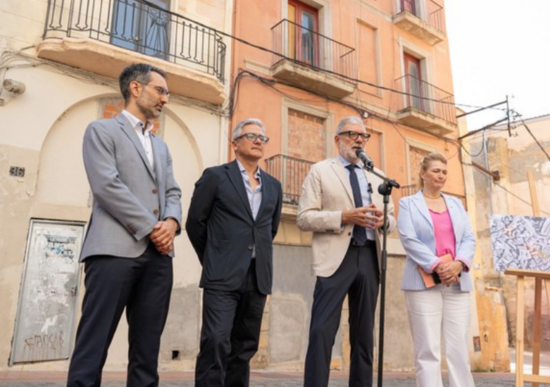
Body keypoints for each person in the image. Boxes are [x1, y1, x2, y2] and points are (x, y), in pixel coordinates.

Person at [66, 63, 182, 387]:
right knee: (93, 344)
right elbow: (107, 186)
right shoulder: (101, 131)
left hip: (159, 258)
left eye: (167, 93)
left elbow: (173, 190)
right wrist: (153, 227)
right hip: (112, 251)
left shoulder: (161, 145)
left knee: (147, 351)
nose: (165, 99)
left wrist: (171, 222)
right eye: (160, 90)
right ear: (135, 88)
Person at [297, 116, 397, 387]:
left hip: (369, 257)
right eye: (352, 134)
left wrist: (383, 221)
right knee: (321, 331)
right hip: (335, 258)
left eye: (363, 136)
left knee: (364, 336)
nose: (359, 140)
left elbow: (390, 218)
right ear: (337, 139)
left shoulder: (375, 175)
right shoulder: (321, 170)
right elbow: (304, 217)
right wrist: (344, 216)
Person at [186, 118, 283, 387]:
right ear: (235, 143)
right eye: (251, 135)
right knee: (216, 340)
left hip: (257, 277)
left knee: (244, 347)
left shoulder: (273, 186)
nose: (258, 141)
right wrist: (214, 257)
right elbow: (195, 223)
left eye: (262, 138)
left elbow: (268, 230)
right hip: (222, 275)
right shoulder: (216, 176)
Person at [397, 152, 476, 387]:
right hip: (422, 283)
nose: (440, 175)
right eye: (435, 170)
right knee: (427, 349)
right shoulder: (408, 203)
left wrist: (458, 264)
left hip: (457, 281)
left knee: (459, 347)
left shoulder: (456, 204)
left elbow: (469, 238)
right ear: (423, 174)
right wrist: (438, 266)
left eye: (444, 171)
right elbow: (408, 239)